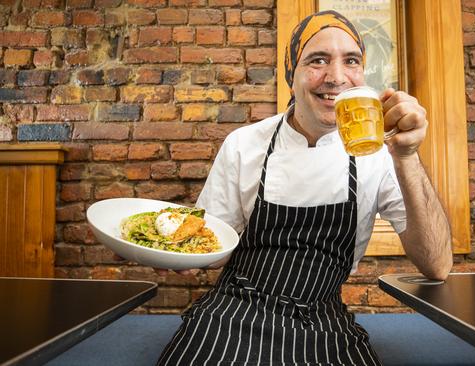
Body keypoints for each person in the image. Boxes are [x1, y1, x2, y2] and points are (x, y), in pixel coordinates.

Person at [156, 10, 452, 365]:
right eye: (318, 60)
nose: (336, 77)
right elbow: (214, 241)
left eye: (351, 61)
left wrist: (407, 157)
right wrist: (177, 252)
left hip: (323, 320)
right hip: (234, 312)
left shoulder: (379, 155)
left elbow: (437, 265)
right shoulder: (244, 144)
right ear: (291, 76)